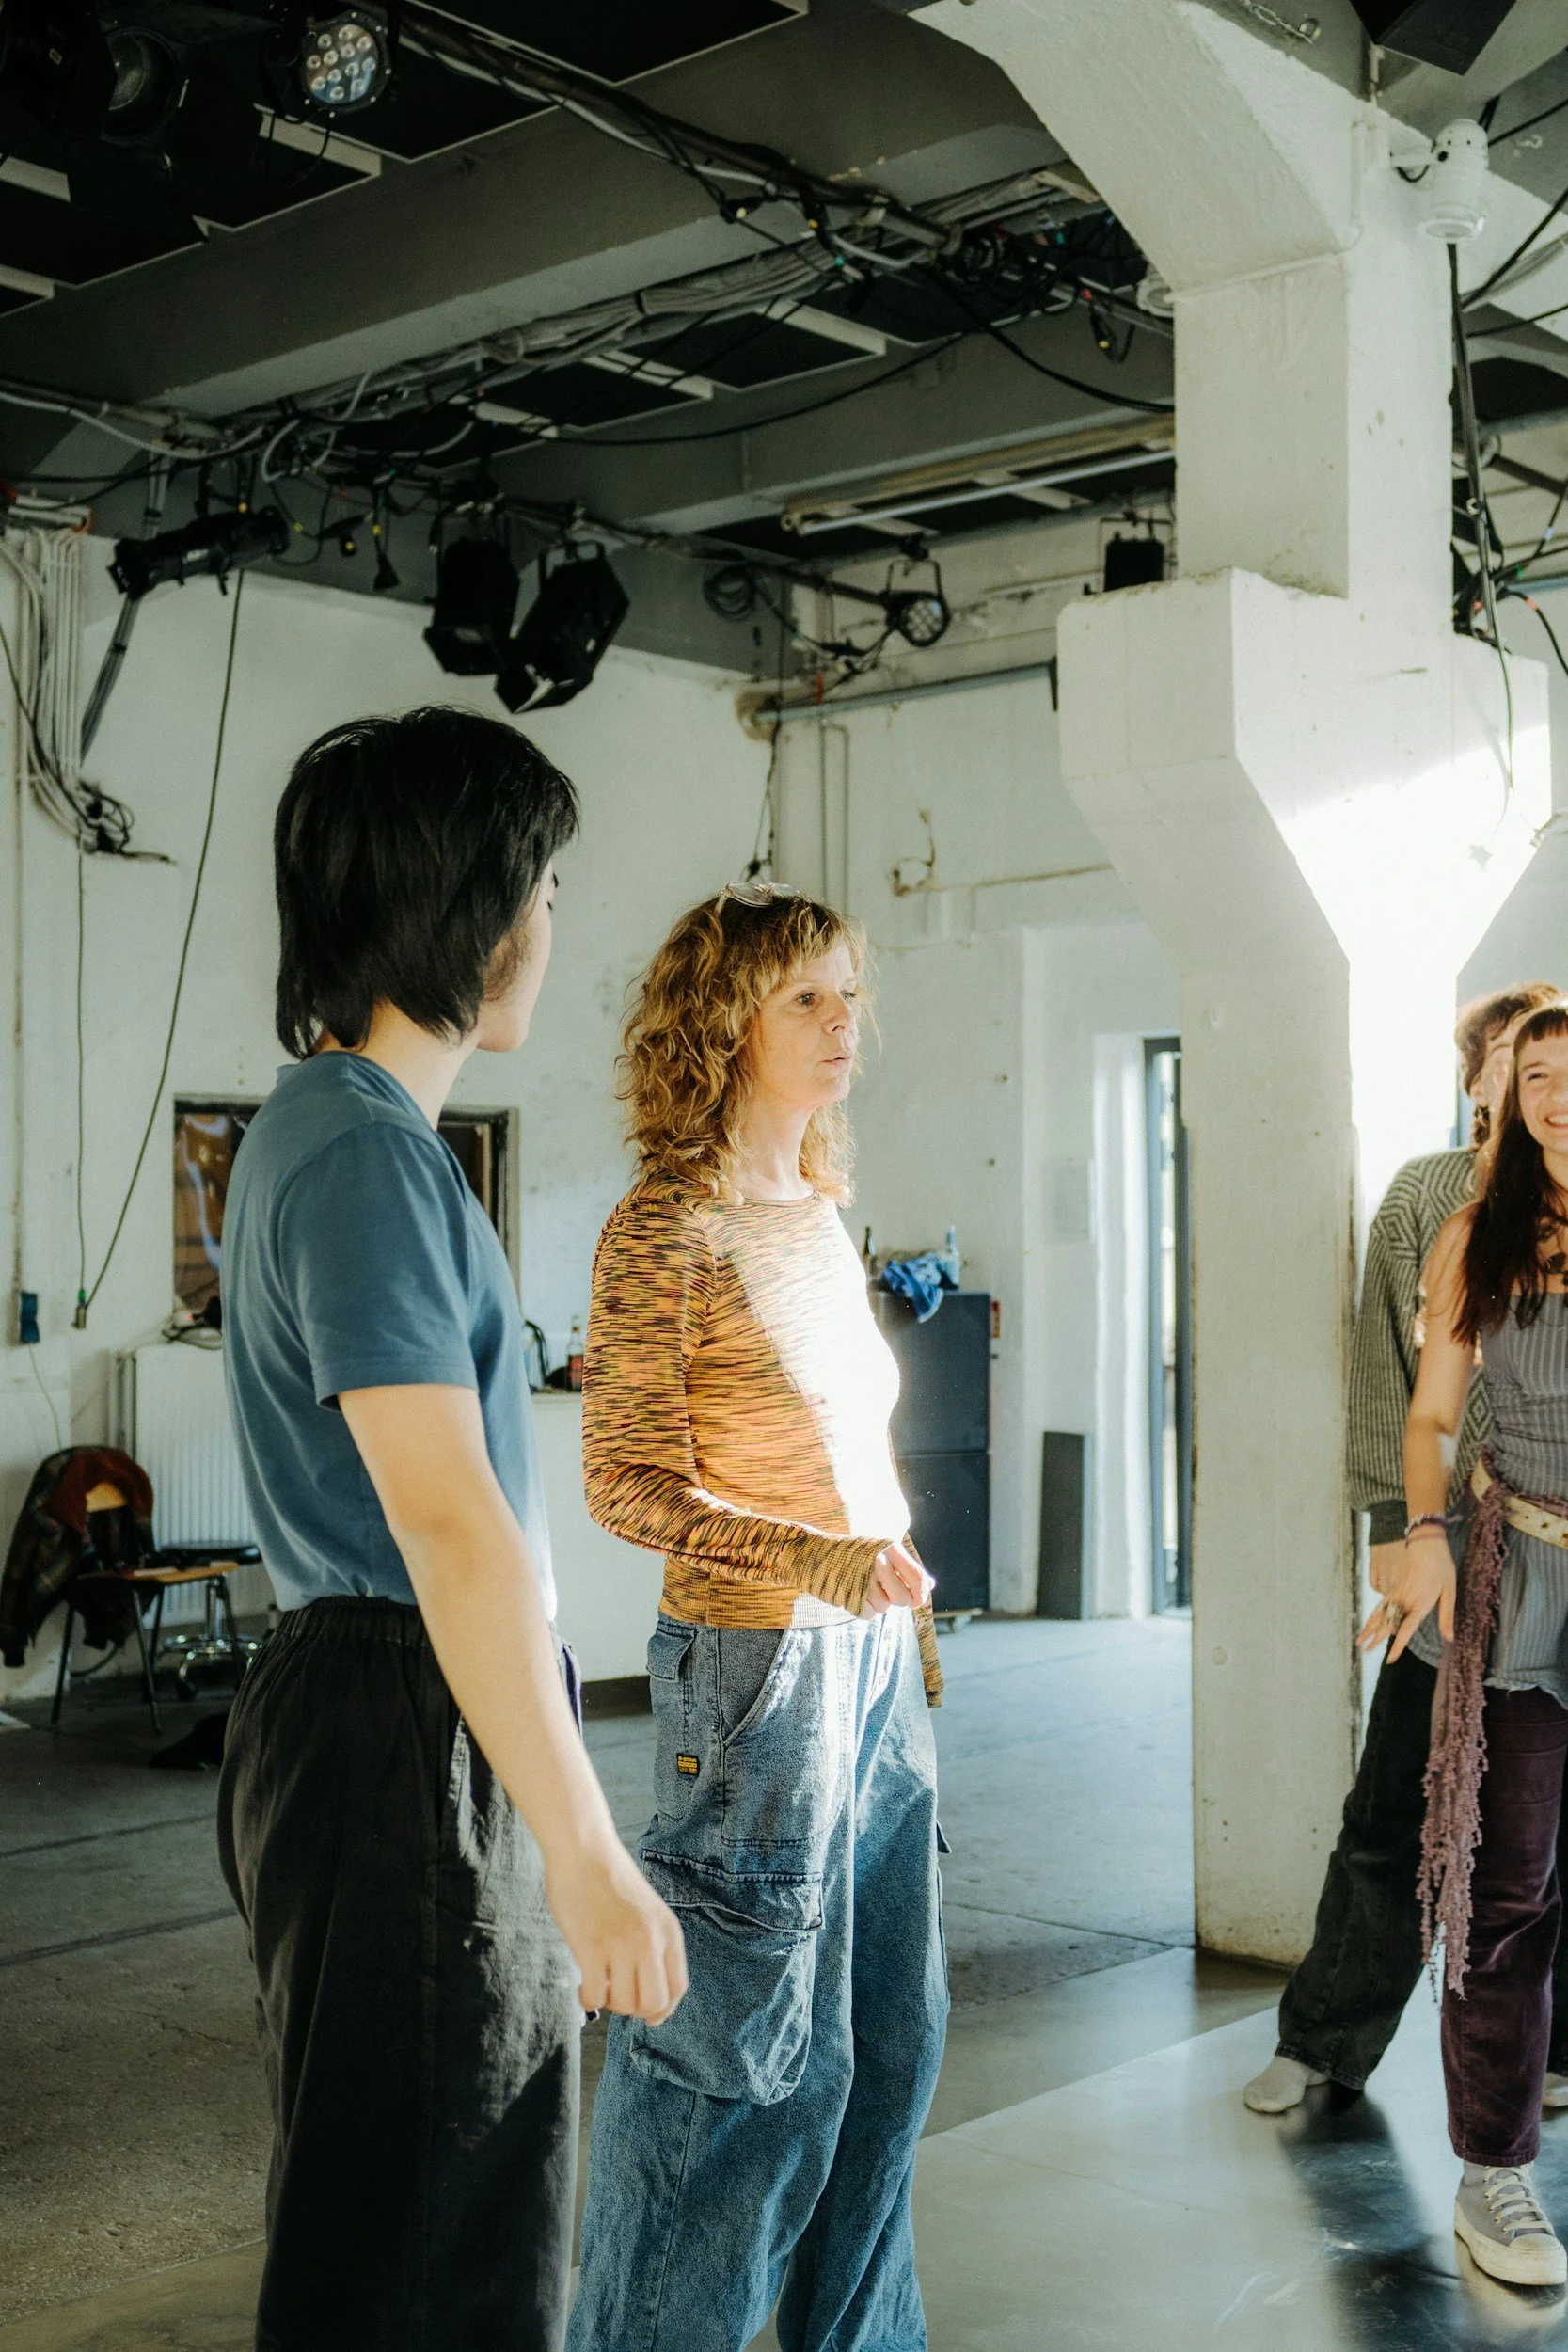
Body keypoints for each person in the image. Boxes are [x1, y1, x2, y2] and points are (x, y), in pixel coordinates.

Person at [214, 707, 687, 2352]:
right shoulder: (360, 1156)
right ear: (469, 911)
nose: (550, 929)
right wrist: (586, 1852)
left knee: (400, 2213)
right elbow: (450, 1527)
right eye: (542, 889)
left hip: (386, 1706)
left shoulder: (334, 1136)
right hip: (398, 1714)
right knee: (439, 2242)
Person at [565, 882, 949, 2352]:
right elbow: (624, 1483)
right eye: (804, 997)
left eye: (849, 991)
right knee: (739, 2077)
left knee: (878, 2055)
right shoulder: (665, 1227)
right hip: (753, 1667)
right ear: (723, 1020)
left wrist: (881, 1590)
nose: (842, 1021)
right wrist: (818, 1564)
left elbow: (850, 1450)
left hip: (870, 1669)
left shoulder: (813, 1209)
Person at [1244, 982, 1565, 2118]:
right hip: (1457, 1552)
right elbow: (1392, 1376)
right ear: (1475, 1078)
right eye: (1508, 1064)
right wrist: (1397, 1526)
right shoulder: (1430, 1200)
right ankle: (1325, 2038)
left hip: (1545, 1540)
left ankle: (1545, 2051)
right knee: (1402, 1802)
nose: (1527, 1087)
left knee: (1530, 1825)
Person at [1368, 999, 1568, 2289]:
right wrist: (1424, 1530)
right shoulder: (1470, 1237)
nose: (1552, 1092)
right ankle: (1491, 2174)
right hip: (1523, 1585)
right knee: (1503, 1893)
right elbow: (1431, 1418)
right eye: (1533, 1073)